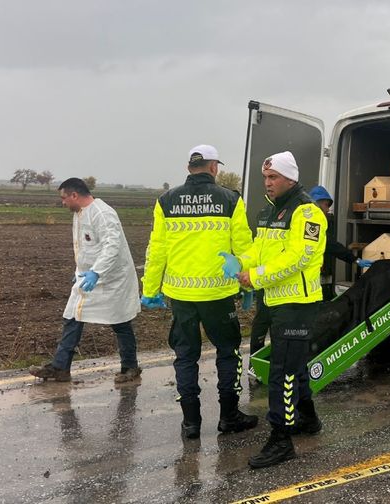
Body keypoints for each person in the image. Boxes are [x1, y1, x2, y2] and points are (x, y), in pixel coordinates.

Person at [141, 144, 258, 439]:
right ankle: (229, 417)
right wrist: (248, 282)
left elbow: (157, 250)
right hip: (219, 294)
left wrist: (150, 288)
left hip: (181, 296)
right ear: (214, 167)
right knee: (228, 353)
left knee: (185, 357)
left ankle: (191, 423)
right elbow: (243, 247)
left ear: (189, 167)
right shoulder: (231, 199)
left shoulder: (165, 201)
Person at [222, 151, 327, 468]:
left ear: (290, 178)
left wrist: (255, 277)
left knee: (283, 372)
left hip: (297, 305)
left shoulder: (307, 213)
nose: (267, 183)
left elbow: (298, 258)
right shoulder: (271, 211)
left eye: (273, 178)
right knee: (295, 365)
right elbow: (259, 248)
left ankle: (281, 440)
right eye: (265, 178)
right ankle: (308, 419)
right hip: (276, 301)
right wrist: (241, 262)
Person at [29, 178, 142, 384]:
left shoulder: (102, 213)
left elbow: (111, 247)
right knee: (72, 317)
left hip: (112, 280)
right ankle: (60, 367)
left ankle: (130, 367)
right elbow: (85, 248)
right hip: (88, 277)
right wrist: (81, 270)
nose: (62, 203)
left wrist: (96, 272)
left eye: (64, 198)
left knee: (120, 322)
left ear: (74, 195)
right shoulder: (79, 214)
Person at [308, 185, 373, 301]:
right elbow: (332, 245)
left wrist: (355, 260)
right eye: (326, 205)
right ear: (316, 203)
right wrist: (356, 260)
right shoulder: (310, 224)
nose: (328, 210)